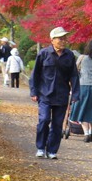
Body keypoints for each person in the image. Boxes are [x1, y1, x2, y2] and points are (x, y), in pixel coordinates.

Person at [30, 26, 80, 160]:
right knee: (44, 120)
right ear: (52, 40)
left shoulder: (69, 55)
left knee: (57, 124)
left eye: (65, 38)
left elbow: (74, 76)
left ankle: (52, 150)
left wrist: (75, 94)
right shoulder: (43, 53)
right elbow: (35, 74)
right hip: (45, 94)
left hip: (62, 95)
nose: (64, 41)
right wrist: (34, 91)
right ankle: (41, 147)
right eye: (60, 38)